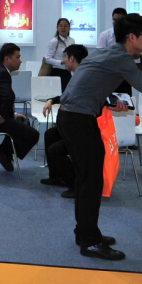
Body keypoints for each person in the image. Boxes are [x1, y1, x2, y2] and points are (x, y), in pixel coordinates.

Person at [56, 15, 142, 261]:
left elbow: (86, 82)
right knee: (91, 182)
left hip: (68, 117)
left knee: (85, 180)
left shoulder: (106, 52)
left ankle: (85, 232)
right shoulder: (123, 59)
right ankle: (89, 241)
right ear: (132, 38)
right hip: (79, 121)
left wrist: (106, 102)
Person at [0, 43, 40, 172]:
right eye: (17, 57)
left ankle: (4, 150)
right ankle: (4, 151)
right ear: (7, 59)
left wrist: (13, 114)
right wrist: (3, 115)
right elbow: (9, 97)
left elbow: (0, 99)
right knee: (33, 135)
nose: (20, 61)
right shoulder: (2, 73)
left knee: (23, 121)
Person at [40, 44, 88, 195]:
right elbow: (66, 97)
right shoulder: (77, 76)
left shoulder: (83, 78)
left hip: (79, 130)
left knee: (55, 150)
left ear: (71, 58)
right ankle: (55, 176)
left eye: (65, 58)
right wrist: (52, 100)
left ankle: (75, 185)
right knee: (50, 135)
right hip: (70, 126)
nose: (64, 61)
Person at [43, 18, 75, 90]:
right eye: (61, 26)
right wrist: (61, 62)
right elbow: (47, 59)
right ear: (57, 28)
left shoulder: (71, 41)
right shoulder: (54, 41)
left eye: (65, 26)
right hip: (57, 72)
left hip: (67, 72)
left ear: (69, 28)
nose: (63, 28)